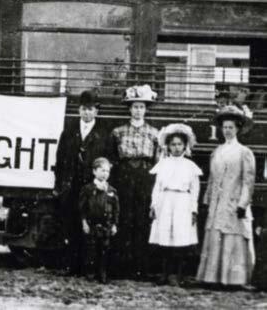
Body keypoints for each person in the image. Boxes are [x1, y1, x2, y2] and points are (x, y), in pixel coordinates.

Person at [197, 105, 256, 288]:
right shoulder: (217, 151)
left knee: (232, 236)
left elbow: (248, 181)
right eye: (225, 127)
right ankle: (213, 278)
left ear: (237, 129)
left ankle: (233, 280)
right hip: (217, 202)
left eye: (231, 127)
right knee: (216, 235)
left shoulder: (244, 152)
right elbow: (212, 179)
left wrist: (242, 204)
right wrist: (207, 200)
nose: (227, 131)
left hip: (234, 200)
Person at [107, 84, 159, 278]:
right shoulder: (118, 132)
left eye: (141, 107)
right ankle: (122, 266)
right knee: (124, 217)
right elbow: (112, 158)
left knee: (142, 219)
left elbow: (157, 161)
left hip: (145, 176)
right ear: (129, 109)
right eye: (135, 107)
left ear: (146, 109)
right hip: (124, 176)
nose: (138, 110)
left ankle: (140, 267)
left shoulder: (154, 133)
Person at [54, 90, 109, 276]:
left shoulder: (103, 133)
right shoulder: (69, 131)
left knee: (91, 225)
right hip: (71, 186)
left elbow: (107, 161)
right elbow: (60, 158)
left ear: (96, 112)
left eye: (91, 109)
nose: (87, 113)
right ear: (79, 110)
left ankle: (88, 267)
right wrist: (59, 185)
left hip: (91, 187)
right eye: (84, 109)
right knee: (71, 224)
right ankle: (71, 266)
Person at [148, 123, 202, 286]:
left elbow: (195, 190)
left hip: (182, 203)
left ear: (185, 146)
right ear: (168, 146)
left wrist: (193, 210)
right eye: (173, 144)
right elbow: (157, 187)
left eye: (179, 144)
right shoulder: (163, 164)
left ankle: (177, 275)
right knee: (165, 238)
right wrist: (154, 205)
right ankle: (164, 273)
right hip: (165, 202)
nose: (176, 148)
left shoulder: (190, 166)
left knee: (180, 238)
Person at [79, 157, 119, 284]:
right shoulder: (87, 189)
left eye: (107, 171)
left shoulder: (112, 190)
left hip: (106, 225)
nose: (105, 174)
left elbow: (116, 210)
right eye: (102, 170)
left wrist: (114, 224)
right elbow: (82, 208)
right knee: (91, 249)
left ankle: (102, 273)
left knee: (104, 249)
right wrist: (84, 222)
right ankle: (90, 273)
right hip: (92, 224)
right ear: (94, 171)